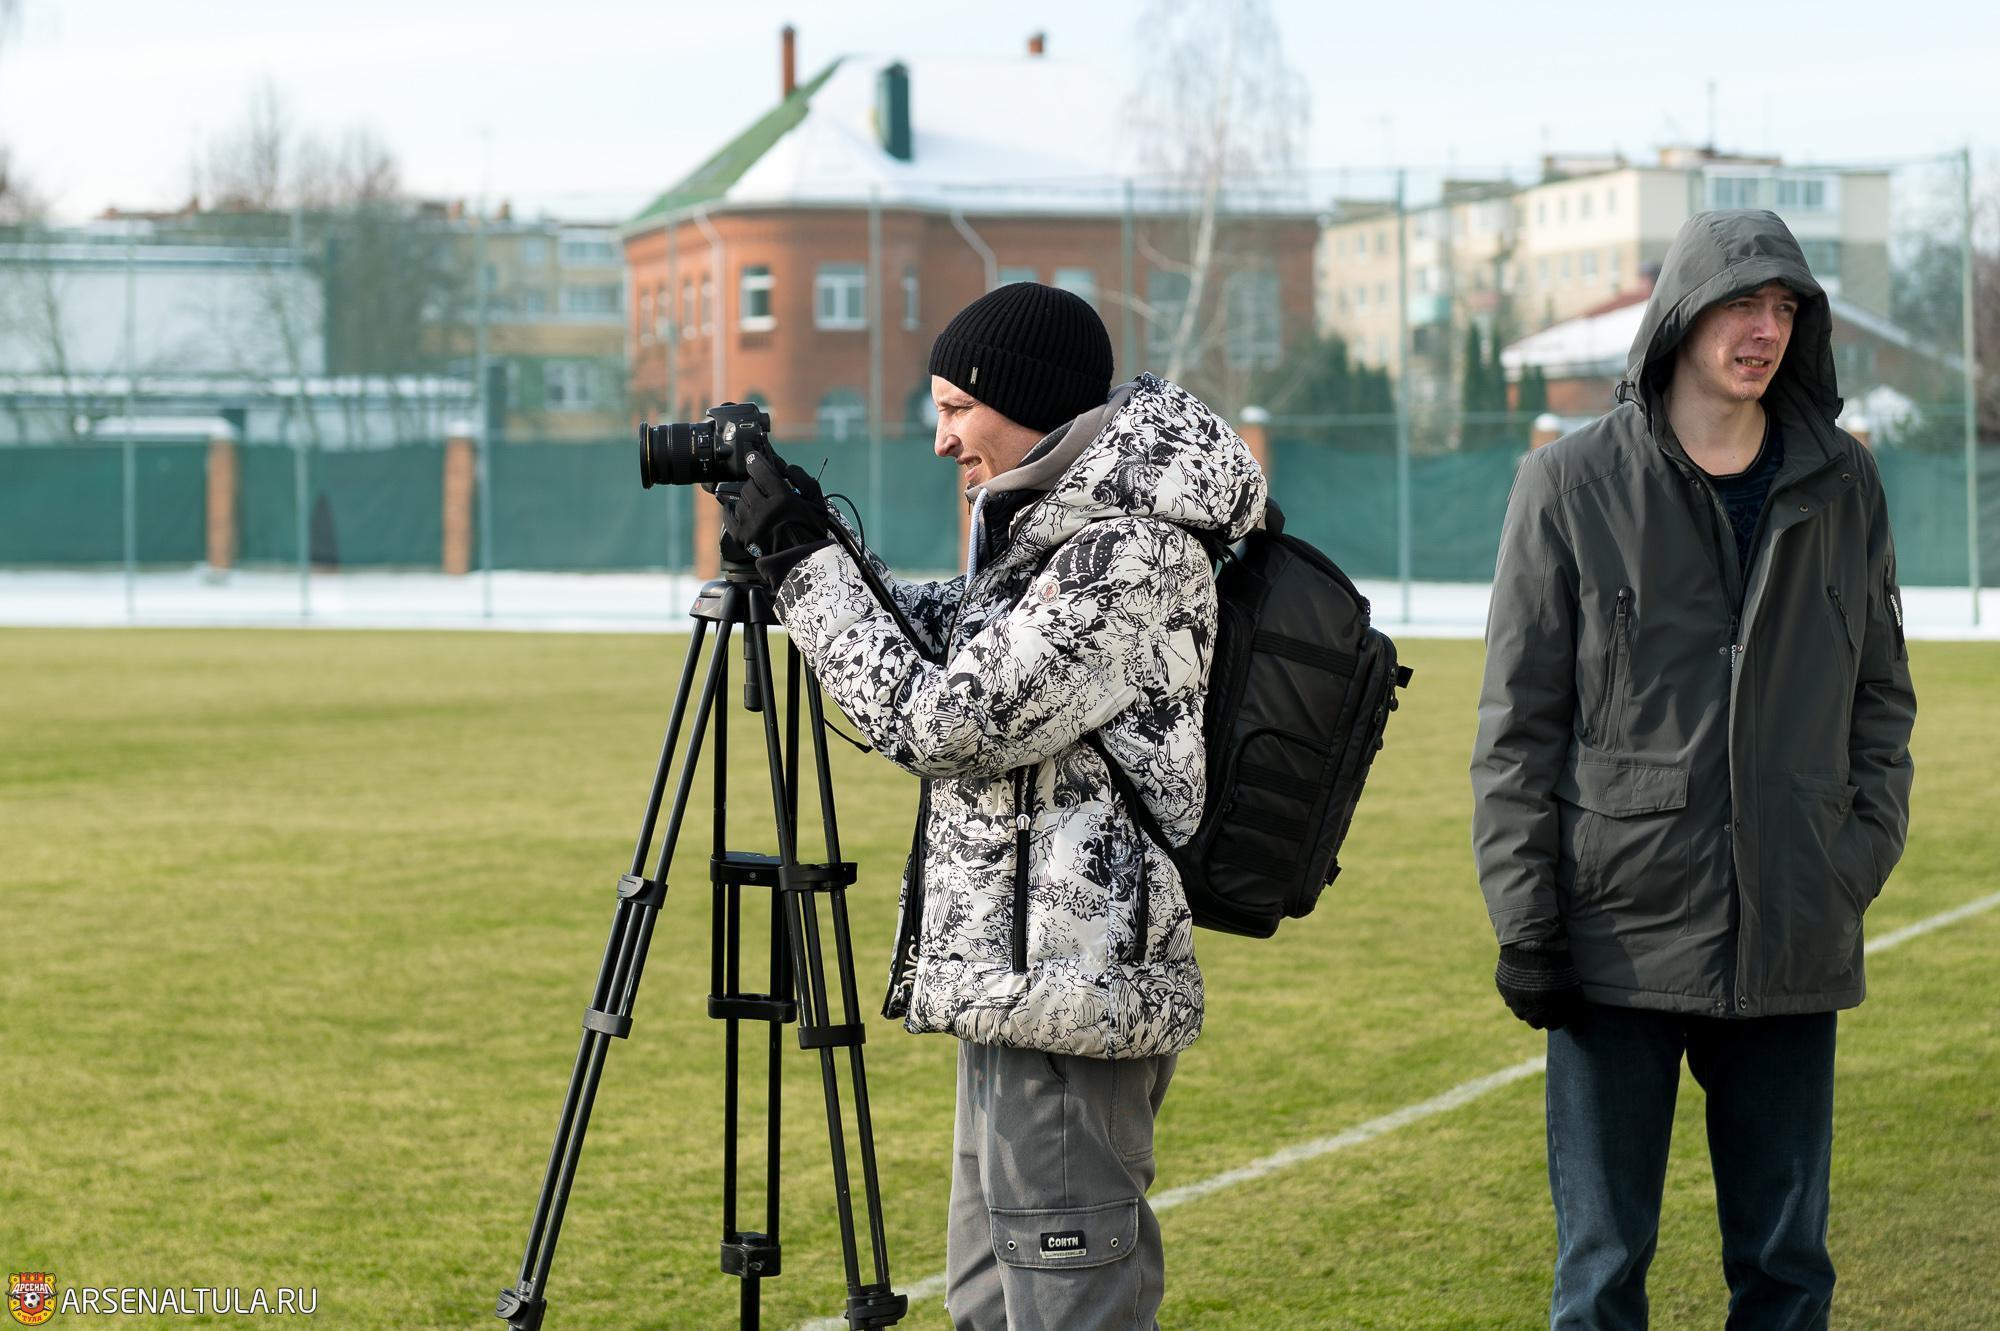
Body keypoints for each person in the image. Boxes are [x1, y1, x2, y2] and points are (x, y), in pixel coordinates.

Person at [722, 281, 1267, 1330]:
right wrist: (814, 547)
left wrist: (807, 572)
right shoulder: (1055, 535)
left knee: (1066, 1310)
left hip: (1070, 997)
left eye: (955, 408)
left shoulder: (1129, 552)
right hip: (1017, 988)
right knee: (985, 1303)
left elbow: (948, 719)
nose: (941, 440)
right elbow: (943, 636)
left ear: (1024, 400)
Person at [1470, 209, 1917, 1330]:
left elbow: (1881, 697)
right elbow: (1518, 725)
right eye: (1740, 304)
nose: (1765, 329)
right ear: (1679, 314)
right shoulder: (1567, 484)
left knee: (1785, 1272)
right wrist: (1527, 925)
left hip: (1791, 927)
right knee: (1601, 1273)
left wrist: (1847, 858)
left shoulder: (1844, 484)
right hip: (1611, 942)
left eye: (1784, 308)